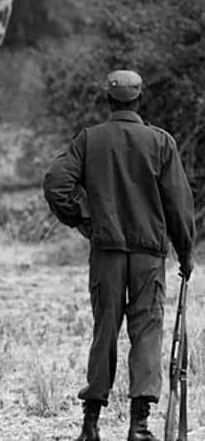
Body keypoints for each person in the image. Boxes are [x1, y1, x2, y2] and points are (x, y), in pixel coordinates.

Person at [44, 70, 196, 441]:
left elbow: (55, 183)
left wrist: (81, 220)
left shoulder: (89, 140)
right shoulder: (160, 142)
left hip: (106, 251)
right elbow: (178, 205)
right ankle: (139, 426)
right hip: (148, 256)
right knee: (146, 332)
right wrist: (186, 252)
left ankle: (90, 424)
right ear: (139, 100)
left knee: (105, 331)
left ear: (109, 101)